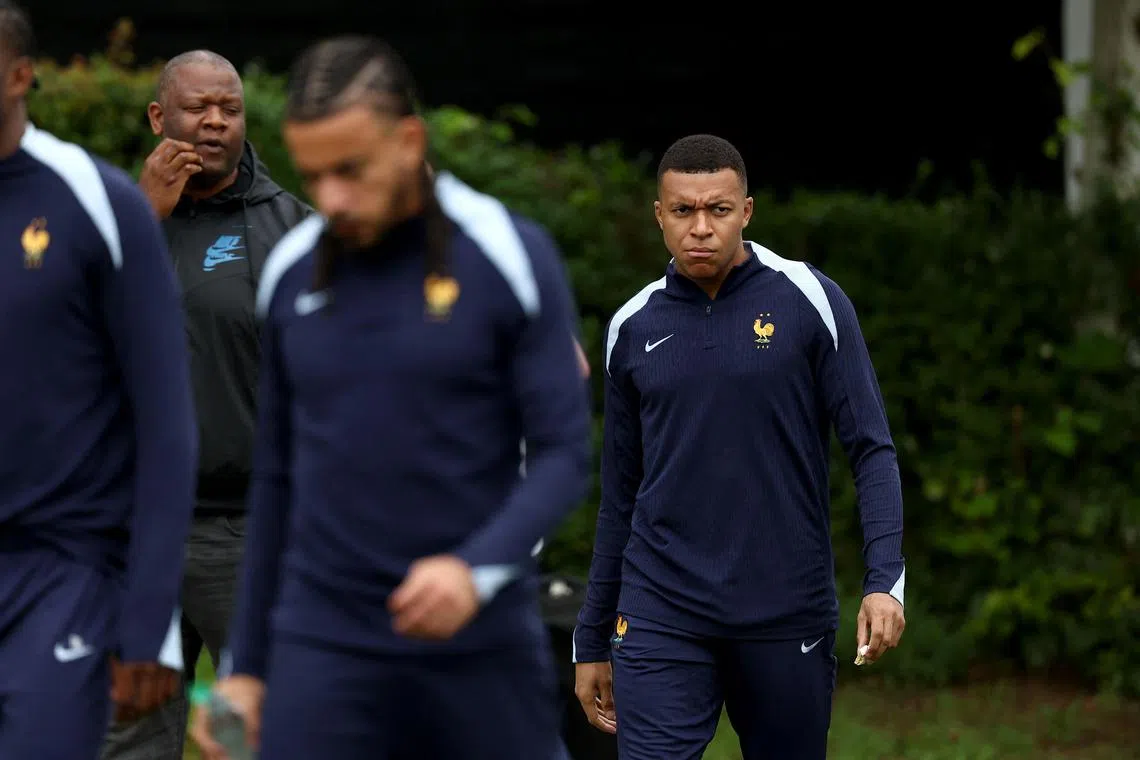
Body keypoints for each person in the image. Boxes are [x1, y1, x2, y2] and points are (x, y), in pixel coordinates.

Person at [190, 34, 591, 760]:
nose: (332, 199)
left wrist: (477, 567)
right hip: (325, 637)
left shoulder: (506, 252)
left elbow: (564, 453)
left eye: (351, 170)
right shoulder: (291, 273)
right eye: (314, 176)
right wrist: (247, 668)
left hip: (478, 644)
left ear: (409, 141)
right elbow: (276, 481)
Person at [572, 134, 906, 760]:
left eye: (718, 210)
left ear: (746, 211)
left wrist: (885, 579)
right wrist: (590, 639)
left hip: (784, 609)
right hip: (660, 608)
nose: (701, 228)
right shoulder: (632, 326)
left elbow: (872, 448)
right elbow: (619, 495)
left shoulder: (809, 299)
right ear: (659, 215)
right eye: (683, 211)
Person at [0, 2, 198, 758]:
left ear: (21, 76)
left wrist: (151, 619)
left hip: (59, 574)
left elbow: (167, 422)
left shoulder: (96, 201)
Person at [101, 49, 311, 760]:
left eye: (230, 107)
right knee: (129, 733)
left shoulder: (293, 230)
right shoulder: (114, 220)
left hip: (247, 534)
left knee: (252, 732)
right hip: (133, 532)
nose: (215, 121)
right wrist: (143, 214)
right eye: (198, 107)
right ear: (160, 116)